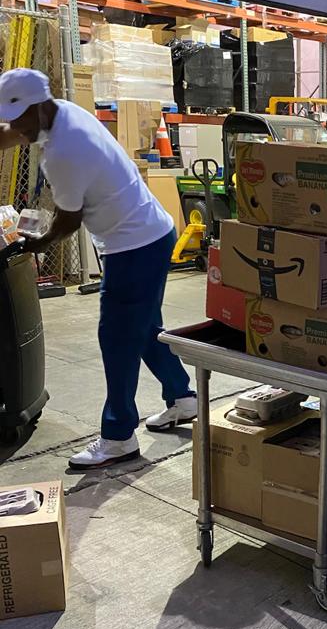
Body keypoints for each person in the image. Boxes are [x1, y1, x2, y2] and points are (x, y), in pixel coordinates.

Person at [0, 68, 197, 469]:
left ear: (37, 106)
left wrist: (36, 243)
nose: (16, 128)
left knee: (117, 339)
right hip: (150, 234)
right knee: (143, 328)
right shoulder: (60, 112)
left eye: (19, 119)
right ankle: (183, 397)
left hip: (133, 247)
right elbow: (13, 133)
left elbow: (68, 221)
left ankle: (119, 436)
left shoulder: (65, 152)